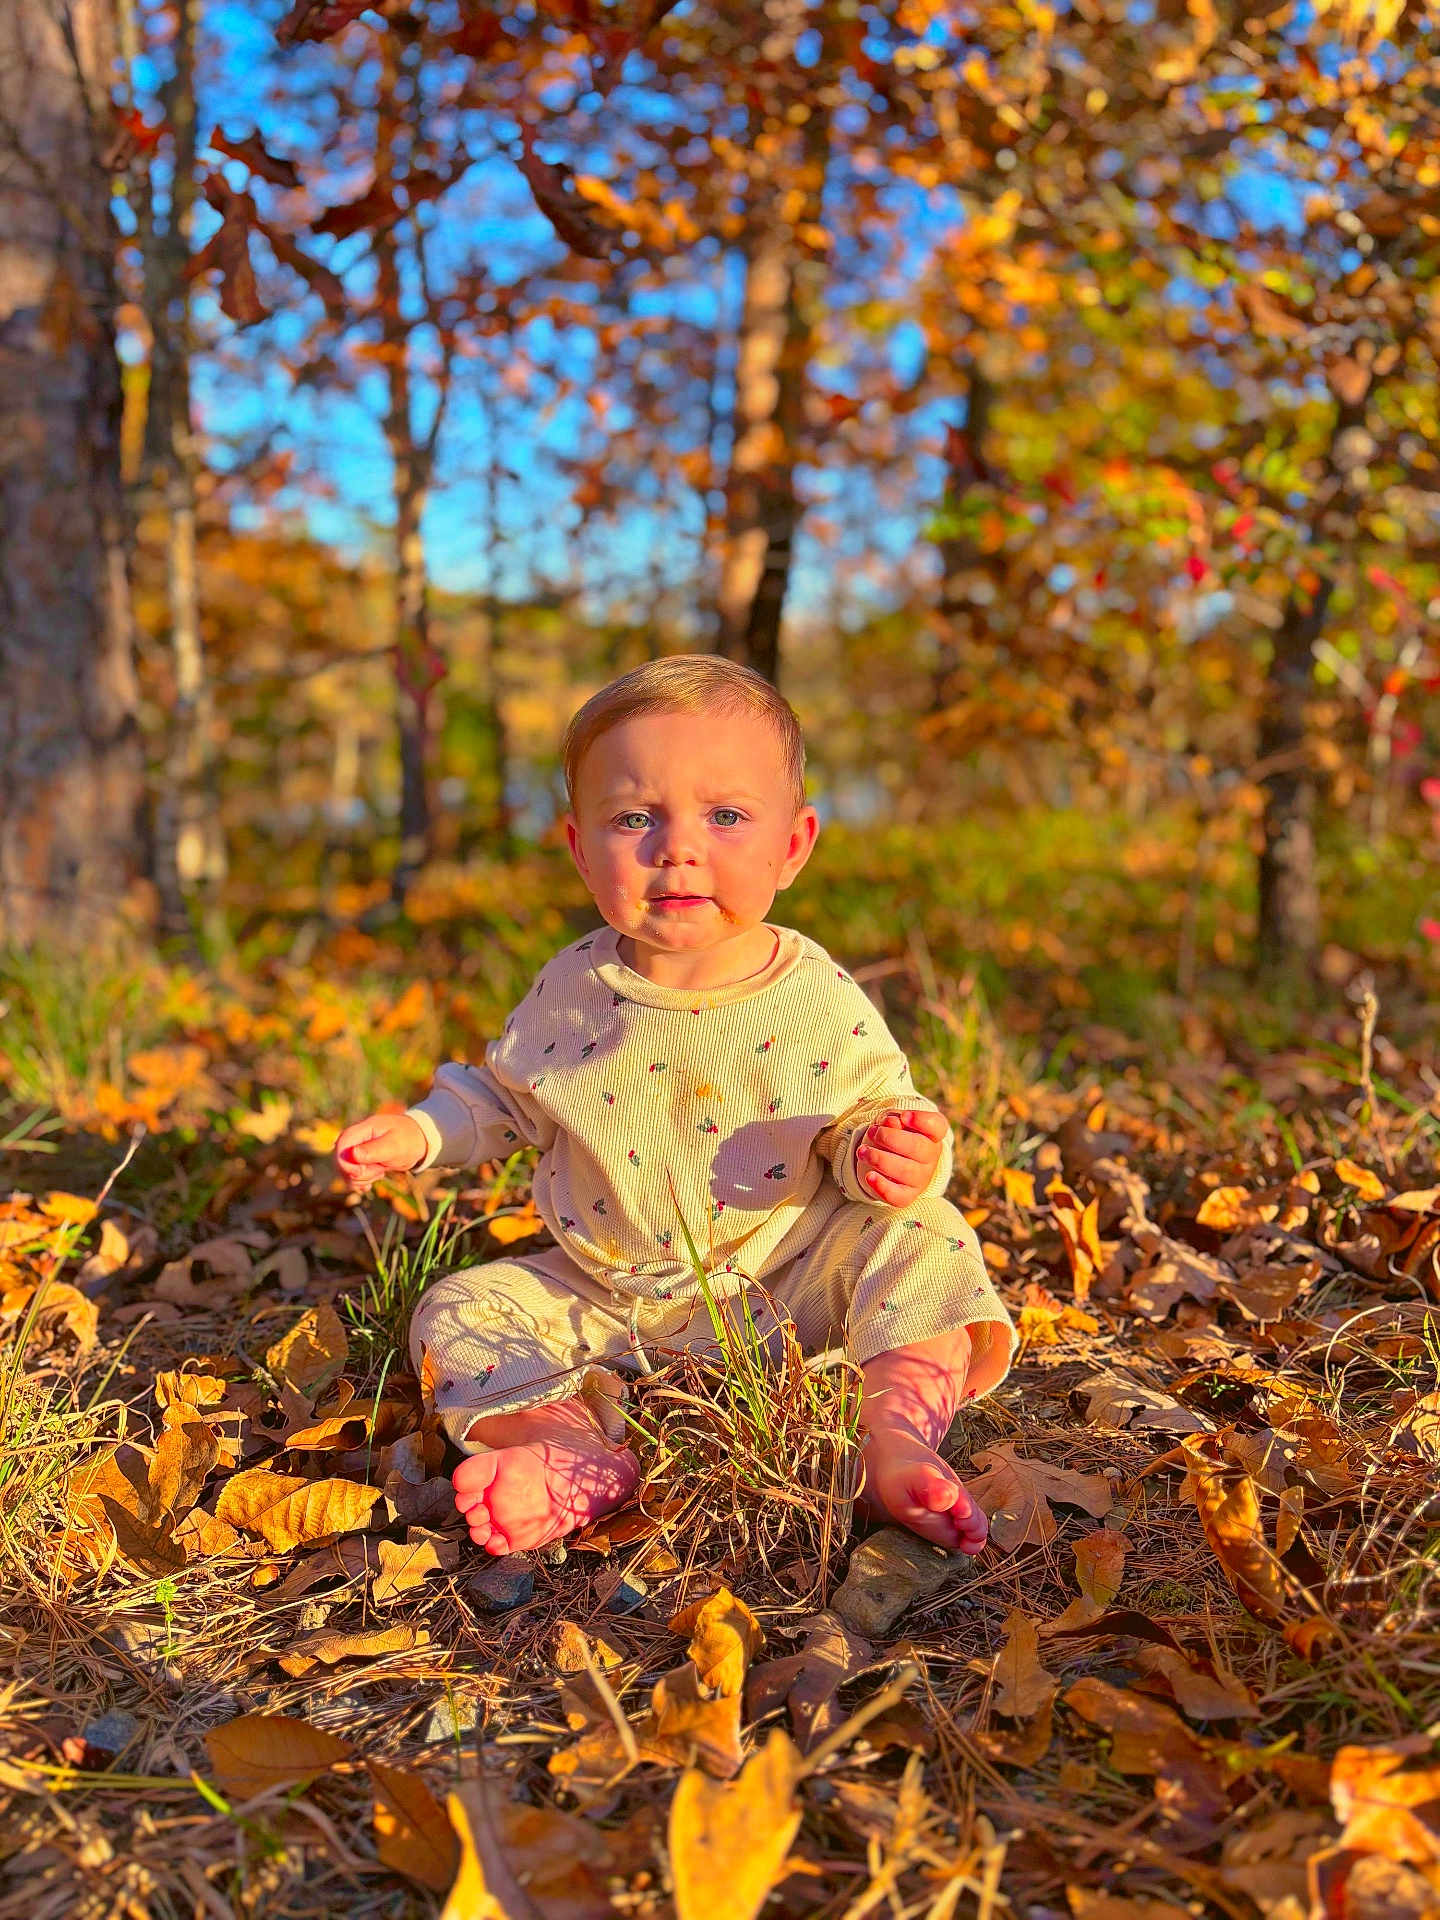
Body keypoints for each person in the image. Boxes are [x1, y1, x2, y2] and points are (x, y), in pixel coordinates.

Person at [335, 656, 1014, 1560]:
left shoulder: (814, 993)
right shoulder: (574, 988)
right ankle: (571, 1450)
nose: (677, 847)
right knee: (461, 1306)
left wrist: (889, 1154)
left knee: (926, 1238)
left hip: (789, 1280)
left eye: (726, 816)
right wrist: (424, 1131)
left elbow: (866, 1117)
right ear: (581, 849)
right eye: (634, 818)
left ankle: (894, 1435)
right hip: (604, 1296)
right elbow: (508, 1096)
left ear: (795, 844)